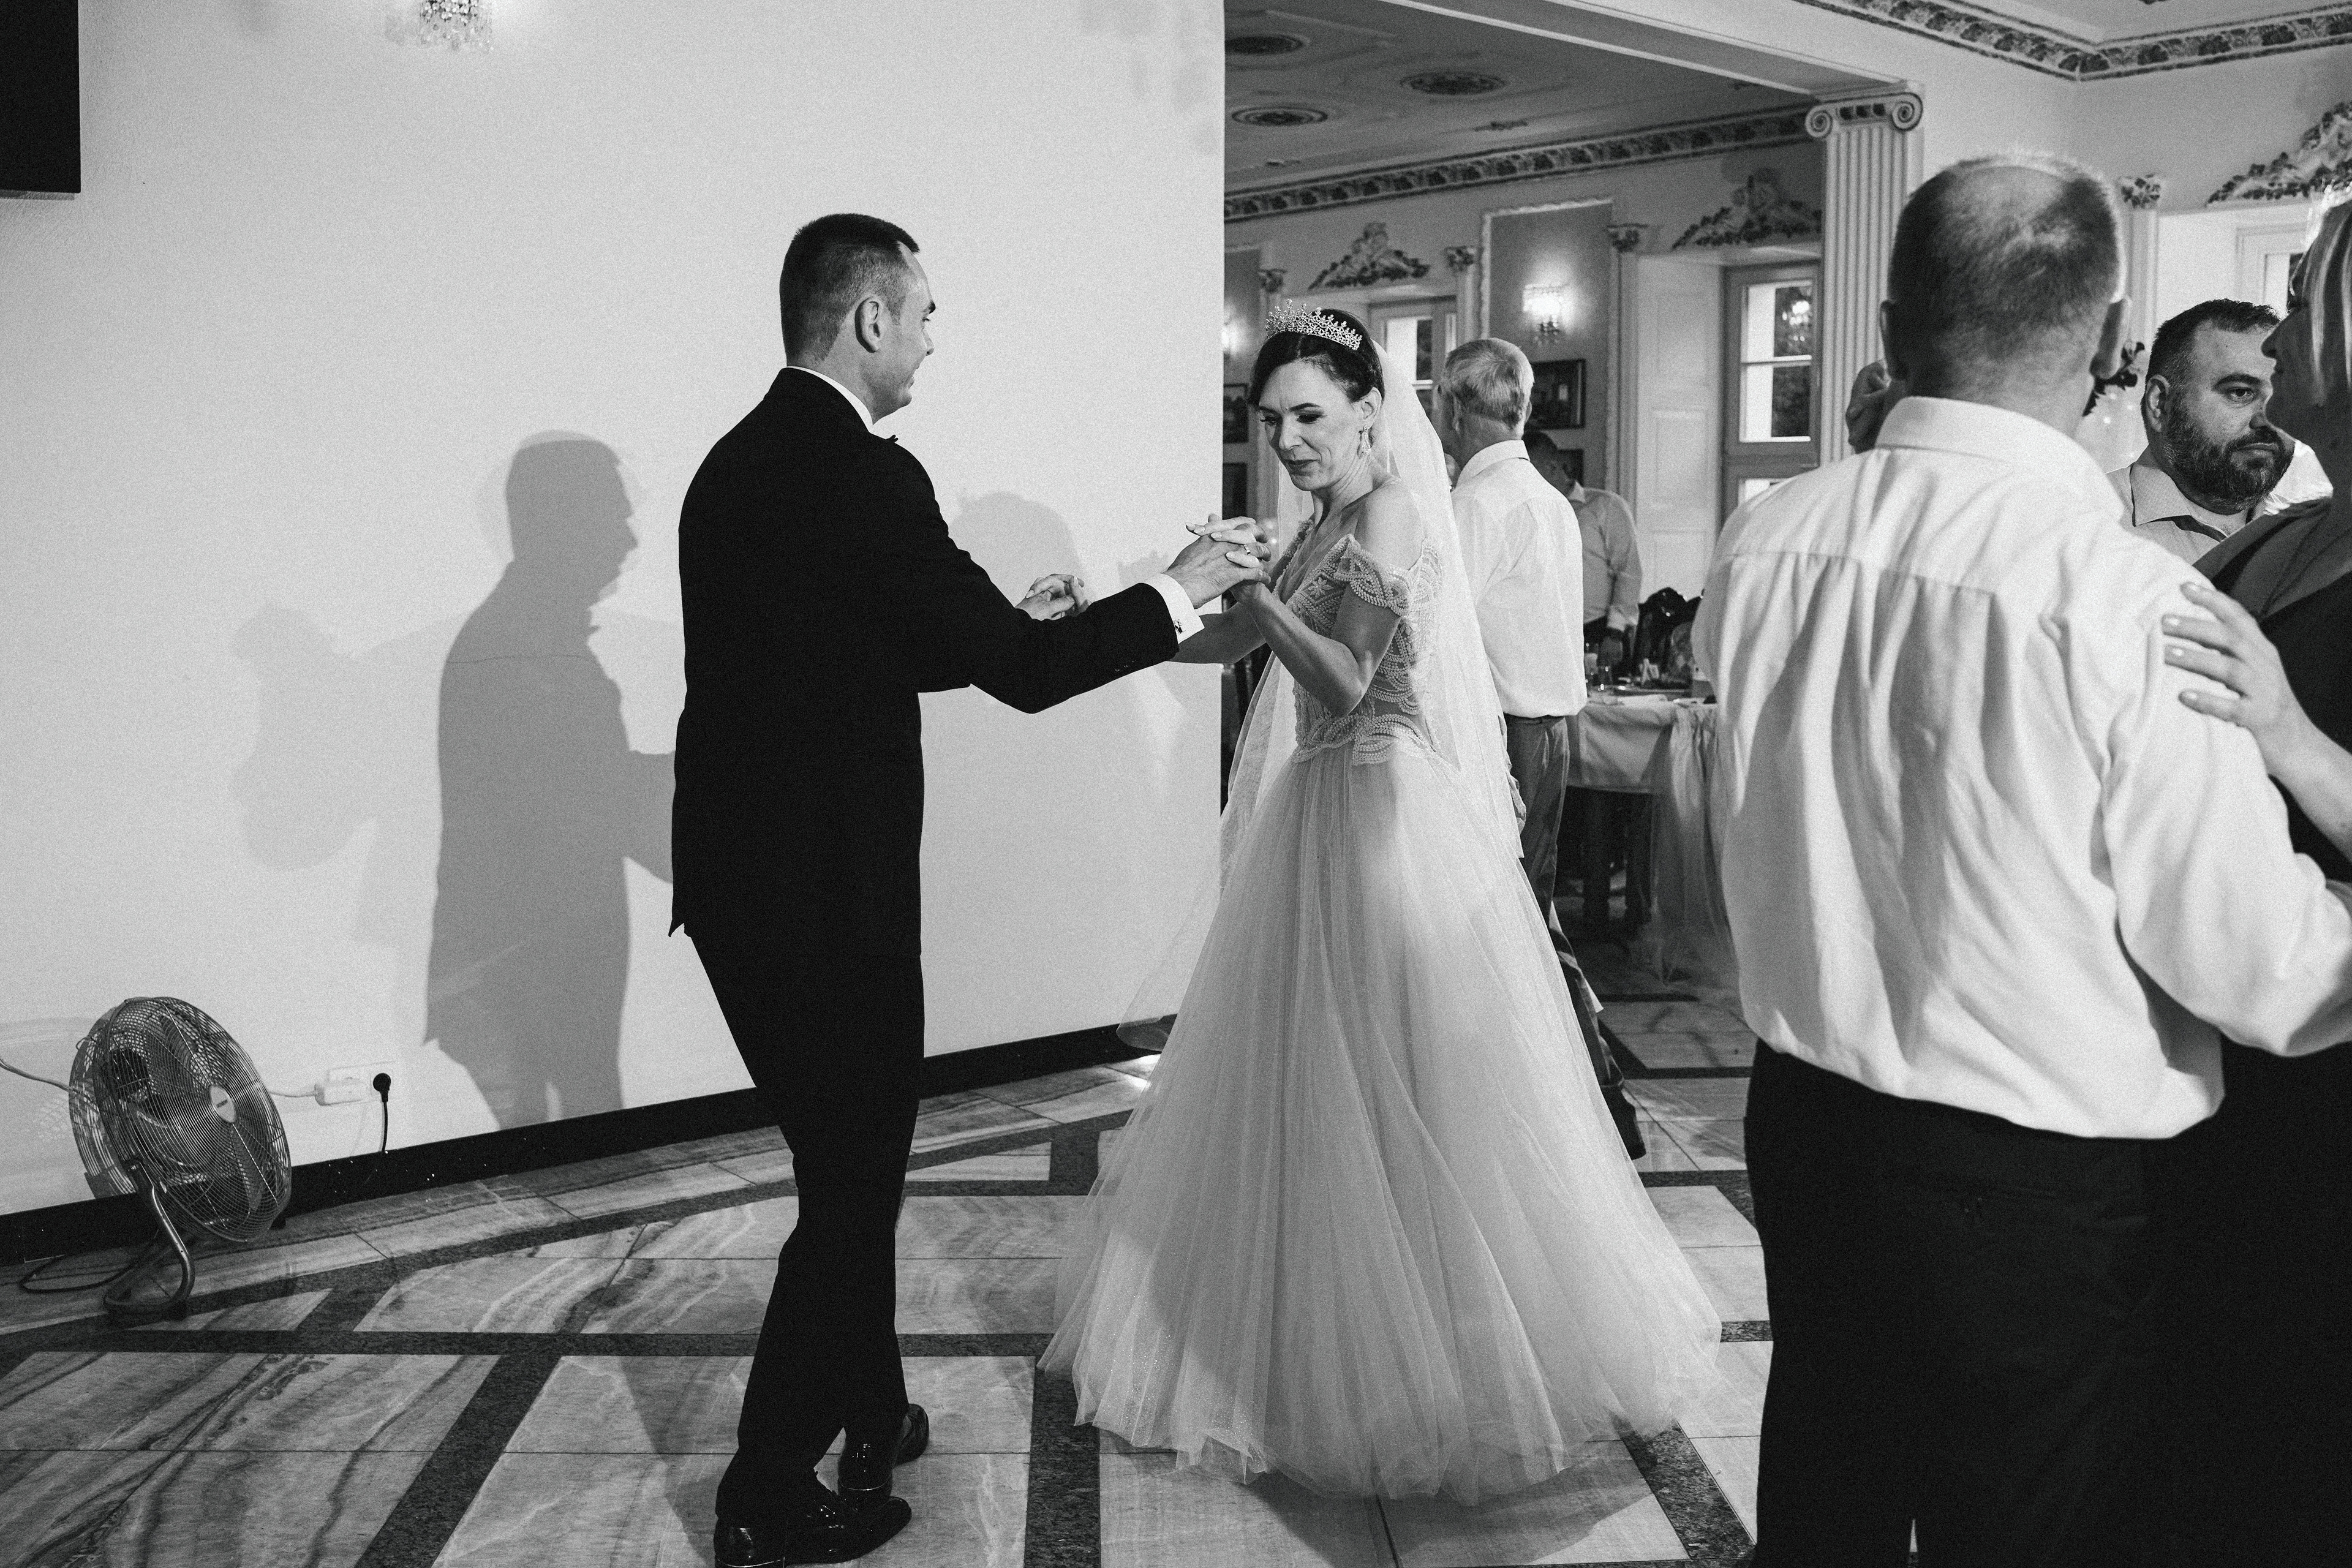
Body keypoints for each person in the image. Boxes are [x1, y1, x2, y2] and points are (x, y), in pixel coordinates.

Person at [1694, 155, 2352, 1566]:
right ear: (2113, 348)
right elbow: (2256, 964)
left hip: (1802, 1123)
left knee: (1823, 1503)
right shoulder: (2129, 599)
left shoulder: (1761, 538)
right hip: (2027, 1189)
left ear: (1888, 328)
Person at [1043, 304, 1718, 1502]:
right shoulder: (1324, 523)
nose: (1289, 439)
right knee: (1312, 1078)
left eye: (1308, 415)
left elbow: (1349, 680)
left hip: (1384, 817)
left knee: (1399, 1079)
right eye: (1272, 421)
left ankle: (1432, 1344)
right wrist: (1115, 615)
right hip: (1321, 815)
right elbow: (1235, 648)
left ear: (1369, 410)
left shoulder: (1395, 511)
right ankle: (1305, 1326)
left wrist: (1259, 602)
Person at [672, 213, 1266, 1568]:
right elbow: (1023, 676)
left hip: (738, 891)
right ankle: (764, 1491)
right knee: (852, 1186)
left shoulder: (734, 464)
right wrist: (1173, 592)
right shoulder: (870, 476)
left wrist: (1013, 627)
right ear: (871, 318)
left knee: (845, 1162)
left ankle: (871, 1409)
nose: (936, 338)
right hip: (835, 904)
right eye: (926, 313)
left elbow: (856, 645)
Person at [2145, 198, 2352, 1562]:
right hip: (2230, 1071)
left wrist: (2294, 739)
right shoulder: (2287, 536)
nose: (2279, 340)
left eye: (2311, 294)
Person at [1433, 337, 1645, 1158]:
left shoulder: (1478, 505)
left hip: (1506, 736)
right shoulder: (1549, 499)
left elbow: (1441, 633)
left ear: (1455, 409)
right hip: (1552, 729)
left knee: (1515, 919)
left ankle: (1601, 1097)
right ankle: (1543, 1094)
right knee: (1527, 911)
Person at [2109, 298, 2294, 564]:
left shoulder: (2307, 535)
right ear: (2160, 403)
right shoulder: (2085, 524)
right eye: (2240, 392)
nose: (2270, 419)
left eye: (2285, 395)